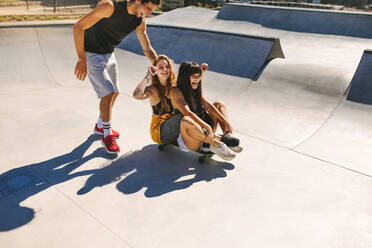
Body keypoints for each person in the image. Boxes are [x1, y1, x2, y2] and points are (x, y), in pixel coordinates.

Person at [73, 0, 160, 154]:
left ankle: (101, 124)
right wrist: (81, 59)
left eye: (151, 10)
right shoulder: (110, 7)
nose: (148, 13)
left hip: (109, 53)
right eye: (148, 8)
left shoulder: (139, 21)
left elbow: (147, 49)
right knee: (108, 93)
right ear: (138, 1)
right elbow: (78, 27)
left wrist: (161, 67)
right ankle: (106, 134)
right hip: (91, 53)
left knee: (116, 92)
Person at [170, 61, 242, 161]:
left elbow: (208, 106)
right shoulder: (175, 91)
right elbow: (188, 113)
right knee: (186, 119)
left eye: (198, 76)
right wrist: (207, 127)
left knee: (219, 104)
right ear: (185, 77)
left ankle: (227, 137)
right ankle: (217, 143)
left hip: (206, 132)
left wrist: (226, 123)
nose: (197, 78)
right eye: (193, 76)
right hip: (191, 137)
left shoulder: (194, 88)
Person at [133, 55, 183, 144]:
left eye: (167, 67)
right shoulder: (153, 90)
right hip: (159, 131)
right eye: (160, 67)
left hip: (173, 126)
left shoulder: (174, 86)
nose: (164, 69)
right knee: (183, 116)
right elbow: (137, 95)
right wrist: (148, 75)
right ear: (156, 70)